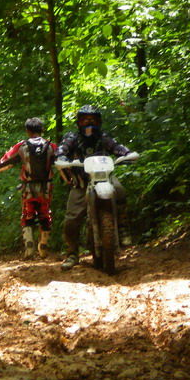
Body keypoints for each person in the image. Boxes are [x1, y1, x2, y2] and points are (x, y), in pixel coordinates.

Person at [55, 105, 134, 270]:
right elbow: (61, 150)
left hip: (105, 178)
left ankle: (122, 227)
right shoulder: (72, 138)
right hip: (81, 184)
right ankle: (72, 254)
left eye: (93, 119)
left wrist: (127, 154)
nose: (89, 123)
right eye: (85, 119)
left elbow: (117, 147)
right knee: (71, 220)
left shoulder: (103, 137)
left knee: (120, 191)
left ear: (99, 121)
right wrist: (62, 158)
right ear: (79, 122)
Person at [0, 117, 57, 258]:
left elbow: (6, 161)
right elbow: (61, 161)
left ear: (28, 131)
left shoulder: (22, 145)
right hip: (46, 187)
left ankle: (29, 248)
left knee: (27, 215)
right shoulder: (51, 146)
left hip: (28, 187)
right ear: (42, 130)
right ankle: (43, 247)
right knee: (45, 214)